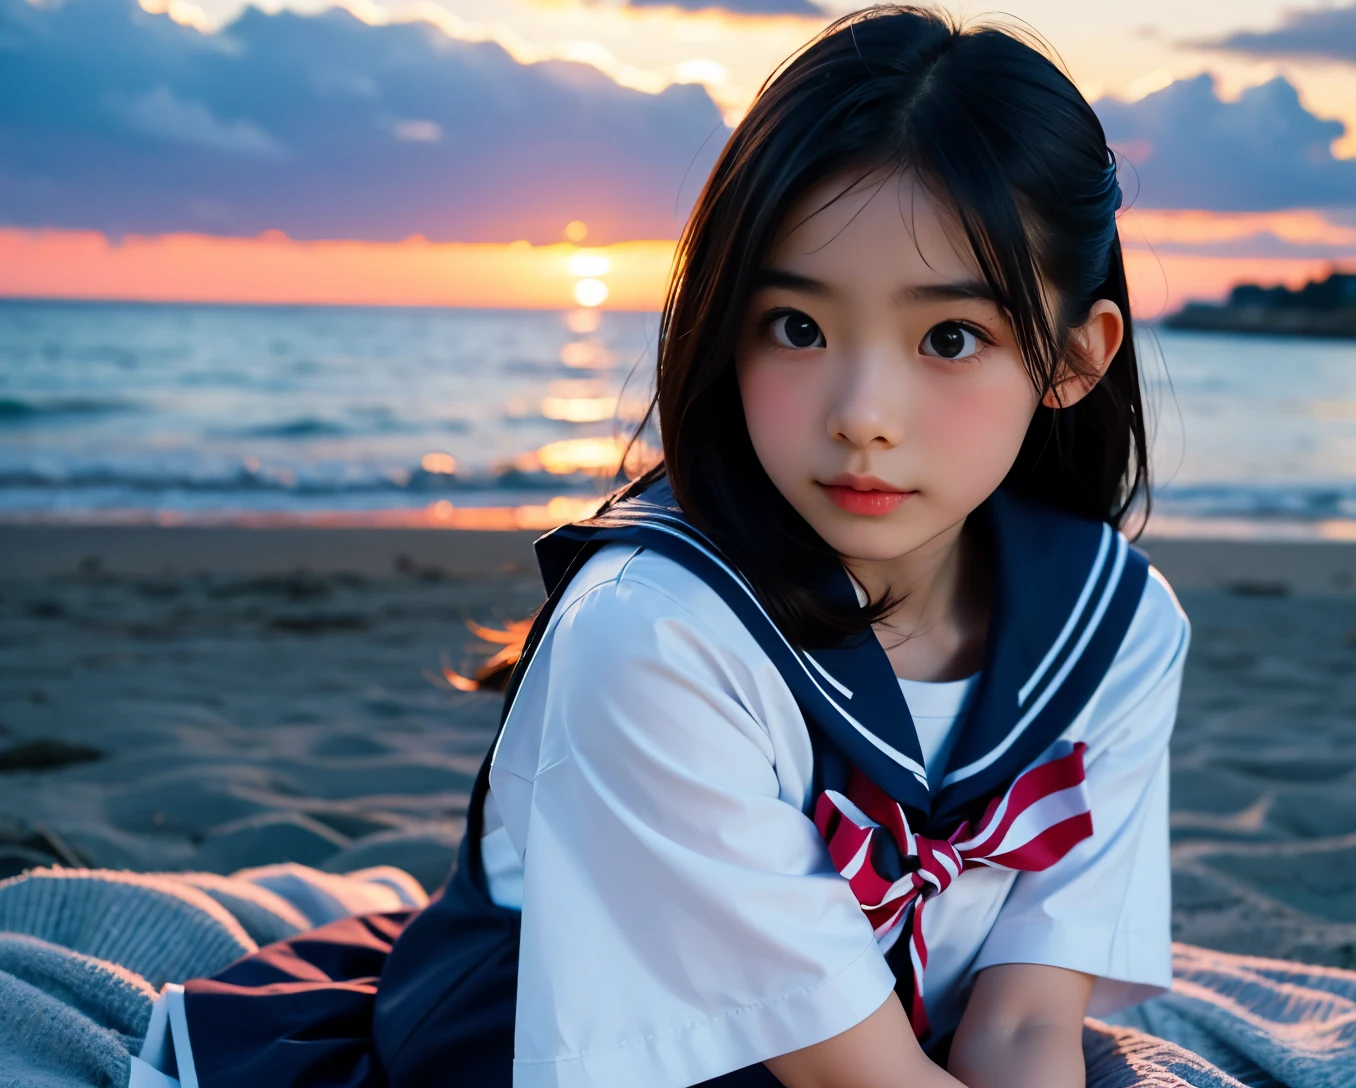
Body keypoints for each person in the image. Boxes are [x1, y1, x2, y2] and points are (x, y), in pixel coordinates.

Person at [130, 7, 1189, 1086]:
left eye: (949, 338)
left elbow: (1022, 1024)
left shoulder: (1116, 629)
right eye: (797, 325)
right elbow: (848, 1074)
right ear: (726, 324)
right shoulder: (653, 630)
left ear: (1071, 356)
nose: (864, 412)